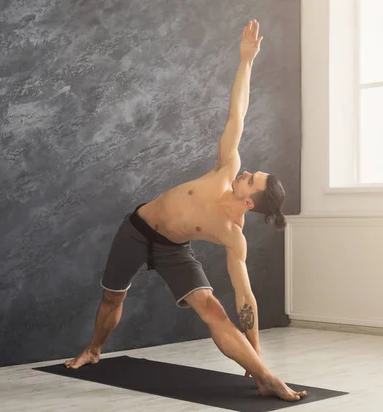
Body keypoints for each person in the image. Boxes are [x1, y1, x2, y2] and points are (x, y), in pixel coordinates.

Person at [65, 19, 307, 402]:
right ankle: (94, 350)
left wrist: (255, 348)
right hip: (137, 229)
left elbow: (245, 296)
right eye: (251, 173)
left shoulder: (233, 234)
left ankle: (266, 377)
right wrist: (246, 61)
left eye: (251, 180)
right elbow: (237, 115)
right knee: (113, 299)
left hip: (173, 249)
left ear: (249, 202)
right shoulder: (225, 169)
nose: (245, 173)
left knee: (214, 310)